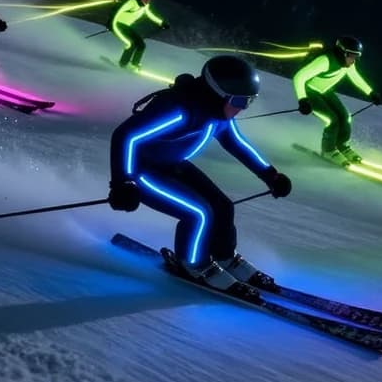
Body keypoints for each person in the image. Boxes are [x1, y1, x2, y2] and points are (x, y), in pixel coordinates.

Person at [108, 55, 291, 292]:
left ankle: (226, 258)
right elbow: (127, 136)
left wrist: (270, 175)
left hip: (173, 163)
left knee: (223, 207)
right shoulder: (180, 111)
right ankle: (192, 264)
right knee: (199, 214)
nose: (241, 108)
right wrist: (123, 182)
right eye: (238, 100)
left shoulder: (218, 114)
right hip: (142, 171)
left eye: (249, 101)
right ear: (217, 93)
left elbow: (237, 144)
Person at [292, 35, 381, 166]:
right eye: (351, 55)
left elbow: (355, 77)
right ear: (342, 52)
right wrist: (303, 100)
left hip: (325, 91)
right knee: (332, 120)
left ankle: (342, 146)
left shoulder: (348, 64)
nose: (354, 60)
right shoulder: (325, 61)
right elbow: (299, 77)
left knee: (346, 117)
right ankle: (328, 151)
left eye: (357, 56)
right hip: (310, 92)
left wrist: (371, 93)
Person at [110, 0, 168, 69]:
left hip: (126, 26)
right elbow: (116, 15)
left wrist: (161, 22)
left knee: (141, 45)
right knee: (131, 44)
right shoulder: (131, 2)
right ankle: (122, 64)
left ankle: (134, 64)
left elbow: (150, 15)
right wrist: (112, 26)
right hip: (118, 24)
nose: (147, 0)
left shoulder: (144, 5)